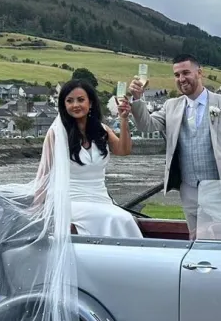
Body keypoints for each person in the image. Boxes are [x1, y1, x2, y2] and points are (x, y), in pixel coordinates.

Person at [127, 53, 221, 240]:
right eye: (177, 75)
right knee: (197, 242)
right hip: (189, 190)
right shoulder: (171, 106)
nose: (181, 79)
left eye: (186, 73)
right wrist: (137, 100)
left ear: (199, 72)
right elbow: (147, 125)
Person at [34, 79, 143, 238]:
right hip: (71, 201)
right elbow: (43, 173)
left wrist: (124, 119)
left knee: (124, 219)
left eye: (80, 99)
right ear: (64, 105)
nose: (75, 105)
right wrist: (37, 209)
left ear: (90, 103)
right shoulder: (56, 134)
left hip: (100, 199)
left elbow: (123, 150)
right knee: (119, 218)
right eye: (69, 101)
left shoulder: (102, 130)